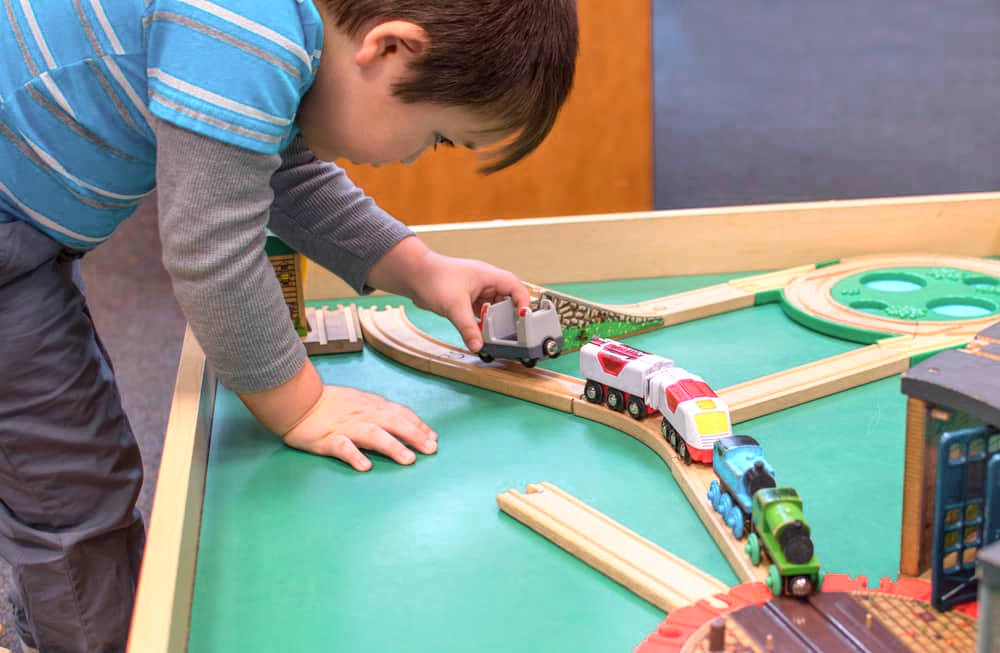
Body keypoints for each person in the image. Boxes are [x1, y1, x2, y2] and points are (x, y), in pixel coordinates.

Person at [0, 0, 578, 650]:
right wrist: (300, 404)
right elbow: (211, 249)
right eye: (437, 137)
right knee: (71, 487)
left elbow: (276, 175)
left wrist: (423, 271)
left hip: (26, 230)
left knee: (60, 464)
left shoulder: (270, 30)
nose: (420, 157)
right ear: (390, 49)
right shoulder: (249, 31)